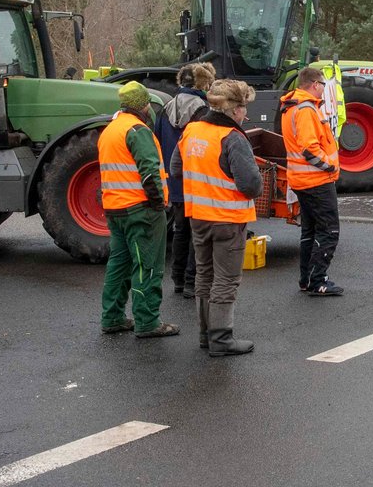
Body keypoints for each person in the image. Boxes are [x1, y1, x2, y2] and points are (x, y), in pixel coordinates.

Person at [172, 79, 263, 356]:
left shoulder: (193, 130)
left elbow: (176, 168)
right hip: (228, 218)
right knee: (225, 279)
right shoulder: (233, 137)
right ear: (234, 110)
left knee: (205, 274)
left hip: (198, 217)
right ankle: (221, 339)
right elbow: (250, 185)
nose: (246, 115)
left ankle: (205, 334)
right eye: (244, 109)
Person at [98, 81, 178, 339]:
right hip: (141, 209)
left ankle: (112, 317)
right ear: (144, 105)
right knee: (148, 265)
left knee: (119, 264)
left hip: (115, 208)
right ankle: (148, 321)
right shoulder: (137, 130)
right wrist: (158, 204)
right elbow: (150, 171)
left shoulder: (110, 130)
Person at [153, 61, 215, 298]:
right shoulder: (202, 109)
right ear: (202, 83)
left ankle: (178, 279)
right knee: (197, 233)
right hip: (195, 179)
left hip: (174, 178)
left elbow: (158, 142)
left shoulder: (166, 107)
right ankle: (192, 281)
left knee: (181, 230)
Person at [280, 67, 343, 296]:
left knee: (310, 232)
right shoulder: (306, 110)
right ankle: (318, 281)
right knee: (329, 231)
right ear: (315, 84)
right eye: (324, 85)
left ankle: (307, 279)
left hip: (302, 180)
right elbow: (310, 149)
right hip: (316, 180)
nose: (325, 89)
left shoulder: (292, 107)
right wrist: (331, 165)